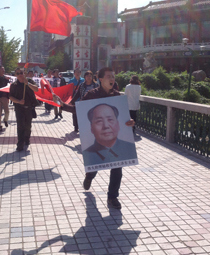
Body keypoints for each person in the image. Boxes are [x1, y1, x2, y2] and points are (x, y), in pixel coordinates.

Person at [53, 67, 135, 209]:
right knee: (96, 162)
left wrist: (131, 121)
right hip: (97, 141)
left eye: (113, 77)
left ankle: (112, 197)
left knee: (117, 168)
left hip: (115, 142)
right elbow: (78, 109)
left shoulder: (117, 96)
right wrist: (62, 104)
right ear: (101, 79)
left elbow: (123, 116)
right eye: (109, 76)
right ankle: (89, 176)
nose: (112, 79)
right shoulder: (91, 95)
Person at [9, 68, 39, 152]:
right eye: (18, 73)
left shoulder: (29, 81)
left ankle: (27, 139)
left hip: (29, 108)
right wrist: (18, 101)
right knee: (20, 126)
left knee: (28, 126)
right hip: (19, 108)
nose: (20, 75)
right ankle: (20, 144)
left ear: (24, 73)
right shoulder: (14, 85)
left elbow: (36, 89)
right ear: (16, 75)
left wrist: (28, 83)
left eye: (21, 73)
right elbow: (10, 96)